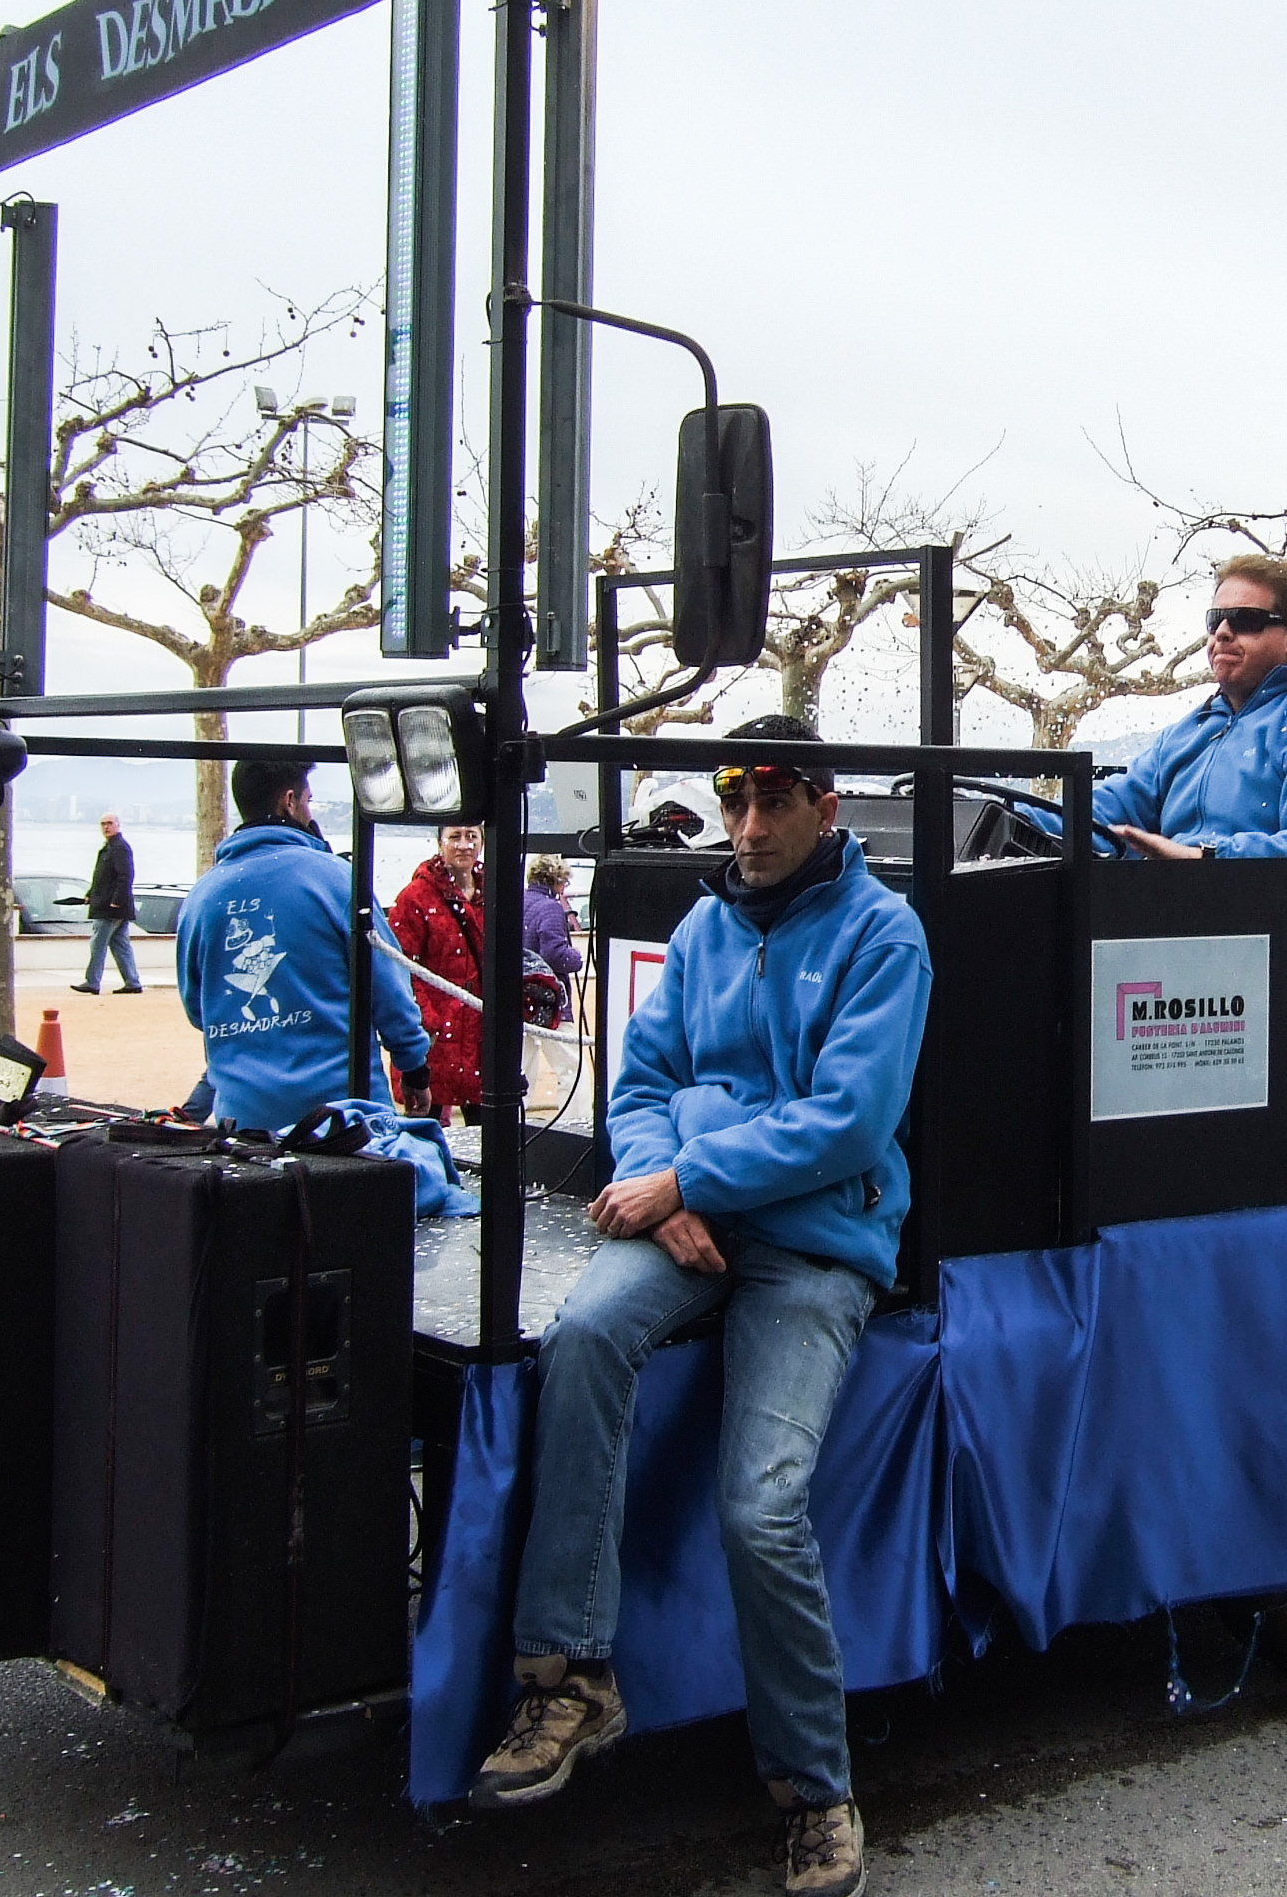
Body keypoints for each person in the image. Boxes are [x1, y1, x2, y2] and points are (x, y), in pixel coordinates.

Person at [475, 712, 930, 1897]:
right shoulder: (701, 924)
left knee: (759, 1509)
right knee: (582, 1335)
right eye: (735, 802)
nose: (749, 826)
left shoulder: (884, 933)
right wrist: (663, 1189)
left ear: (827, 807)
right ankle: (570, 1676)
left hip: (816, 1245)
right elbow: (641, 1086)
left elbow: (849, 1123)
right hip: (694, 1218)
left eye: (774, 801)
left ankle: (816, 1790)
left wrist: (689, 1179)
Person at [174, 759, 429, 1132]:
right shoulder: (336, 879)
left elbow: (199, 1010)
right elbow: (389, 988)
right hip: (343, 1120)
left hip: (245, 1120)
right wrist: (413, 1066)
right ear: (290, 801)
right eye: (308, 801)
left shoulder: (202, 897)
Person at [1078, 555, 1287, 860]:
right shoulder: (1188, 733)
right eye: (1215, 620)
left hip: (1254, 892)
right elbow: (1109, 809)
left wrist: (1205, 859)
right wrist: (1051, 822)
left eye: (1245, 620)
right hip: (1170, 888)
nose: (1222, 632)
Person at [388, 823, 489, 1120]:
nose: (464, 845)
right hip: (434, 1037)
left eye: (472, 836)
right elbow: (401, 967)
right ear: (440, 843)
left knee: (489, 1132)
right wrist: (427, 1021)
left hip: (481, 1034)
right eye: (455, 837)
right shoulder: (415, 897)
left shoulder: (495, 892)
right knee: (425, 1123)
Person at [71, 813, 142, 996]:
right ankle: (132, 982)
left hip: (110, 908)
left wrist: (116, 902)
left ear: (118, 825)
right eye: (103, 824)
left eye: (109, 823)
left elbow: (125, 876)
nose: (106, 827)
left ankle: (92, 982)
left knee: (98, 945)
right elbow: (101, 877)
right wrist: (90, 894)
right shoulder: (110, 848)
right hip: (110, 906)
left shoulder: (119, 848)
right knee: (120, 945)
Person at [523, 854, 585, 1030]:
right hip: (548, 1000)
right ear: (556, 881)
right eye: (564, 882)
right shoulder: (550, 907)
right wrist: (576, 958)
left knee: (524, 1047)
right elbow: (554, 955)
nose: (564, 887)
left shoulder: (518, 901)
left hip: (522, 999)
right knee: (566, 1047)